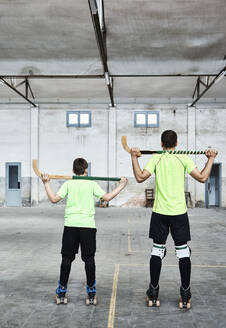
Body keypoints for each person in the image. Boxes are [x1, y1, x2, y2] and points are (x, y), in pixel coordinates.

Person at [130, 130, 217, 308]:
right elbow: (202, 177)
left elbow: (139, 177)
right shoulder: (182, 157)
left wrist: (134, 157)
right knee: (183, 252)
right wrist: (211, 158)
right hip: (179, 214)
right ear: (176, 143)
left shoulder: (156, 158)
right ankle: (185, 295)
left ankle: (153, 293)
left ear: (161, 144)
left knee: (157, 251)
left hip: (160, 213)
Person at [41, 157, 127, 305]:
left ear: (73, 170)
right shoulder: (91, 184)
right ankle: (91, 293)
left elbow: (54, 199)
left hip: (71, 226)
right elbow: (106, 197)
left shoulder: (69, 184)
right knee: (89, 259)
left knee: (66, 259)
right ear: (86, 170)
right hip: (88, 226)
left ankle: (61, 292)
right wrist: (121, 185)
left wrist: (46, 183)